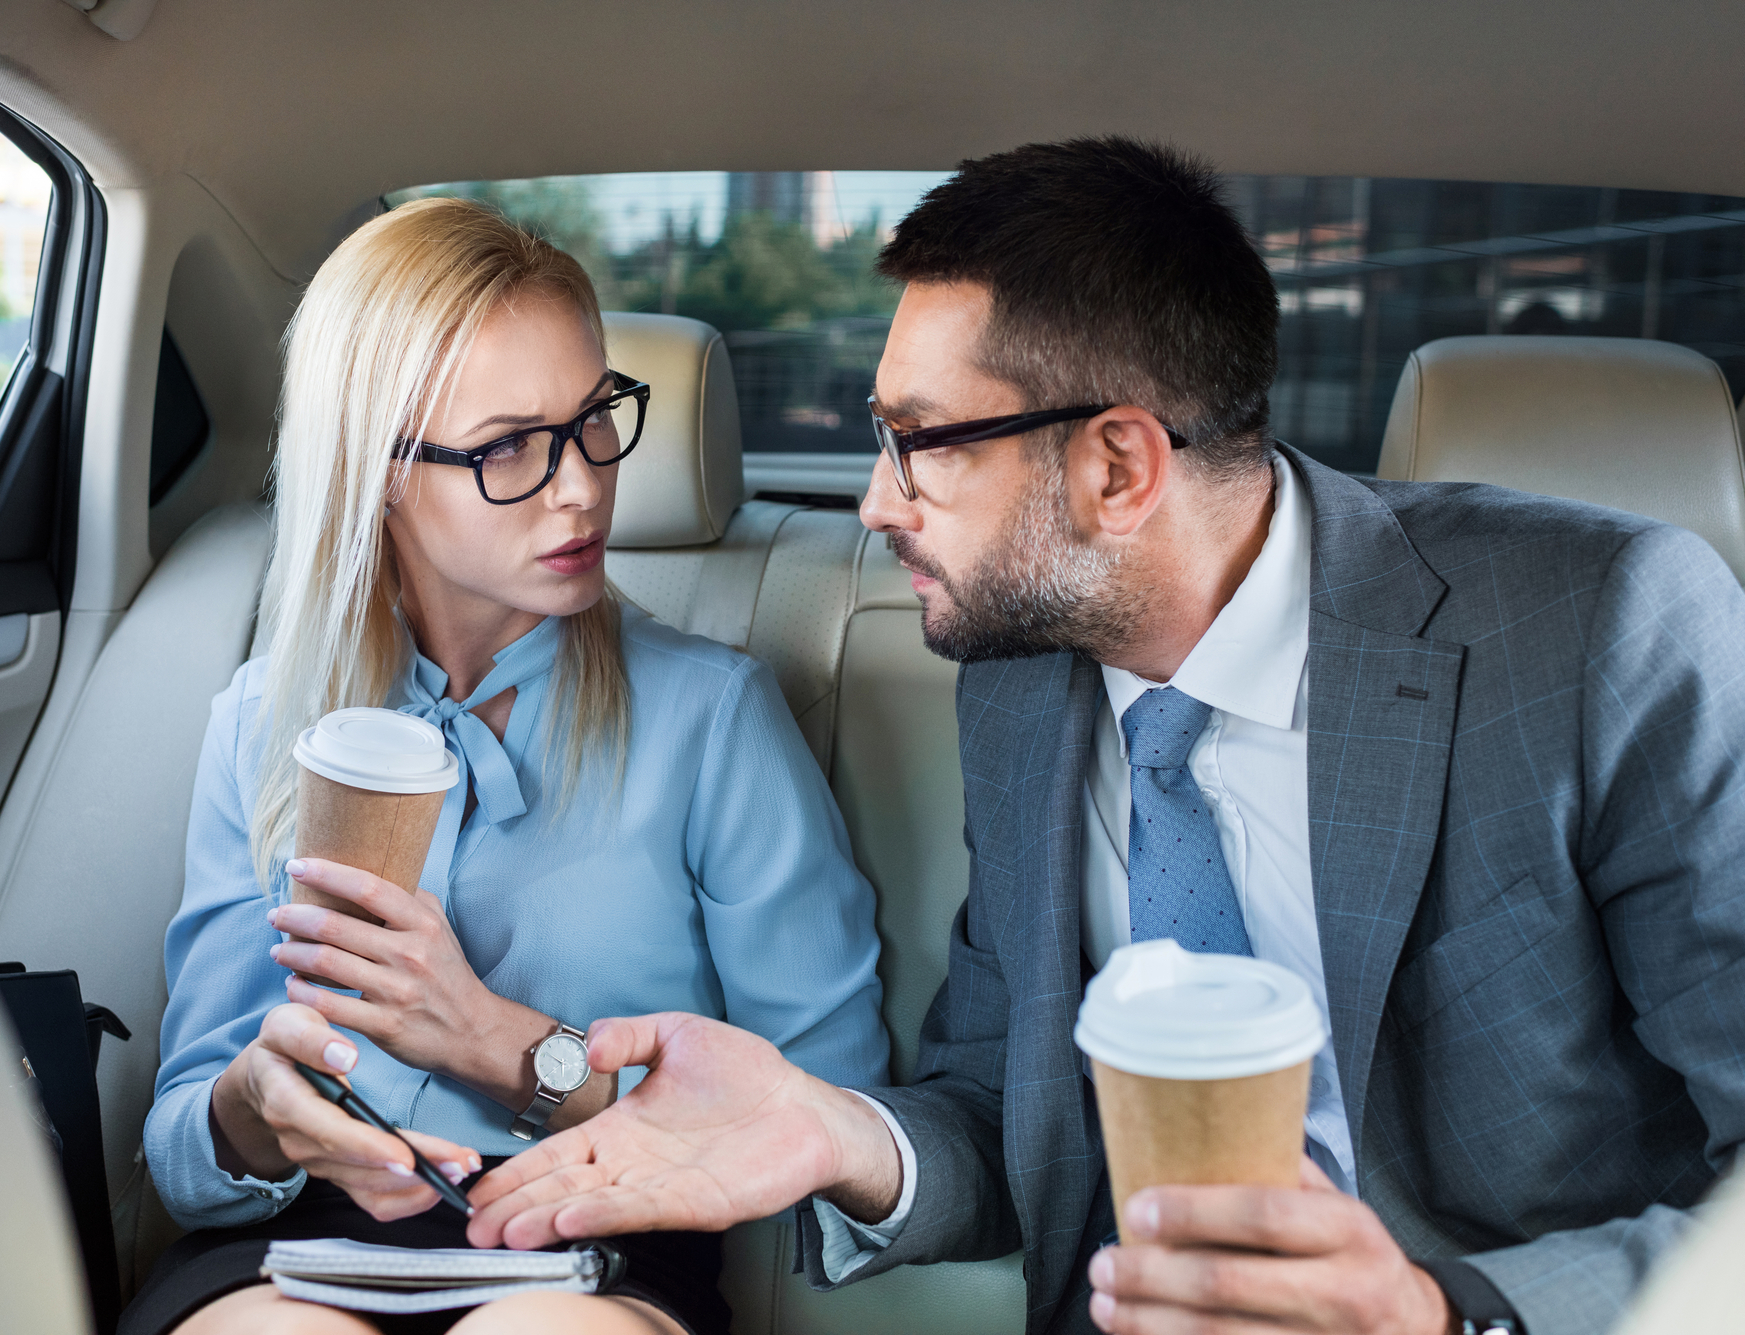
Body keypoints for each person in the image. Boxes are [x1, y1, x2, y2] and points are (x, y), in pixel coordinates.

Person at [462, 139, 1745, 1335]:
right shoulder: (1019, 691)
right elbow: (1000, 1106)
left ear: (1118, 468)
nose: (874, 503)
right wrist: (834, 1134)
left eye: (919, 446)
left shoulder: (1607, 632)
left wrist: (1437, 1312)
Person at [120, 198, 890, 1335]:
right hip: (293, 1252)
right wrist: (254, 1108)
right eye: (507, 449)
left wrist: (494, 1042)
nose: (581, 486)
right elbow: (186, 1149)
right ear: (376, 469)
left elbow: (825, 1118)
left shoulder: (712, 719)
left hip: (595, 1248)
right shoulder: (262, 722)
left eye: (593, 422)